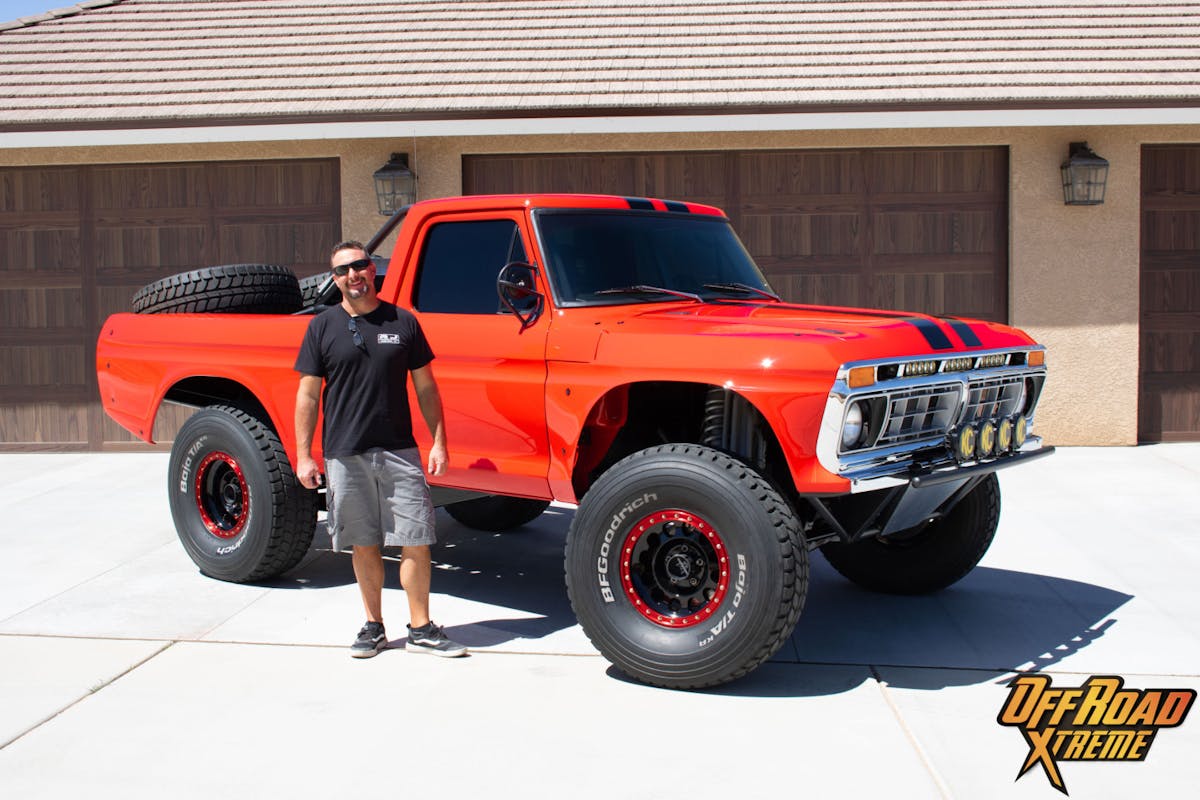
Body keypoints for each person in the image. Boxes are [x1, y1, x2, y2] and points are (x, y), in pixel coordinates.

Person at [293, 240, 466, 659]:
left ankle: (422, 629)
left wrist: (439, 441)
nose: (353, 275)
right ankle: (373, 627)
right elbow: (308, 396)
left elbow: (426, 387)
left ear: (373, 270)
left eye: (360, 265)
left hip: (399, 452)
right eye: (342, 270)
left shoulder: (403, 322)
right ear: (334, 281)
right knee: (363, 543)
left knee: (416, 539)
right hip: (344, 453)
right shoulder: (321, 327)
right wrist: (303, 455)